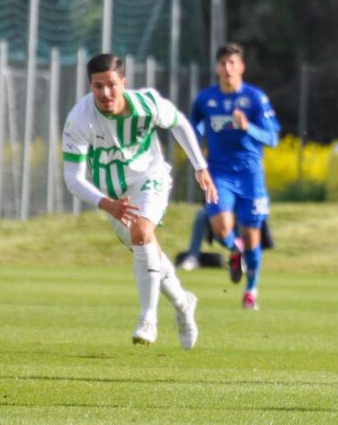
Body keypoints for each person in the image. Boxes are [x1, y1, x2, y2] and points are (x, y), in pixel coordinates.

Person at [62, 53, 218, 349]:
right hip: (114, 197)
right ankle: (183, 304)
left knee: (142, 232)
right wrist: (107, 203)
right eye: (98, 86)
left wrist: (200, 166)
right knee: (148, 251)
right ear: (90, 86)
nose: (105, 93)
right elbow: (73, 178)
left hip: (150, 177)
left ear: (123, 82)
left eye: (111, 84)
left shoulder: (146, 104)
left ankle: (148, 319)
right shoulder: (79, 119)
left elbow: (179, 123)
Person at [186, 43, 281, 310]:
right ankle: (234, 250)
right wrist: (197, 160)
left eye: (232, 63)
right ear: (217, 68)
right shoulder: (205, 100)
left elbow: (272, 138)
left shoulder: (255, 98)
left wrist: (248, 126)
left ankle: (251, 291)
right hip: (219, 173)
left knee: (252, 237)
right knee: (221, 229)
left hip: (250, 174)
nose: (227, 68)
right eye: (223, 63)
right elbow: (192, 132)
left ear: (241, 67)